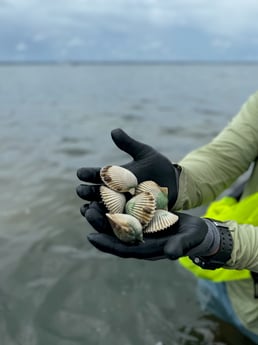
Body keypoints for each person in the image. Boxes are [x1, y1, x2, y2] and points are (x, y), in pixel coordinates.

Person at [76, 91, 258, 343]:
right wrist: (179, 180)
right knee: (216, 330)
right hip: (224, 280)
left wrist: (223, 242)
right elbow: (225, 156)